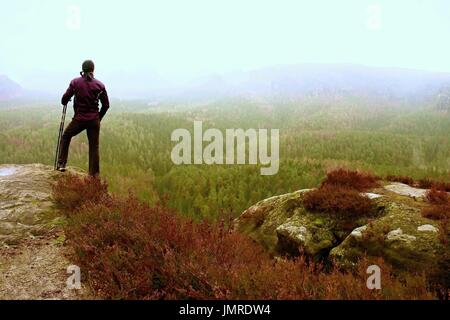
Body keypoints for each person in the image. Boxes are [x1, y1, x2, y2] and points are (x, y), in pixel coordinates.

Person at [57, 60, 110, 176]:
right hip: (94, 121)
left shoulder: (75, 82)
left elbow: (64, 99)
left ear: (82, 69)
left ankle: (61, 164)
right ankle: (94, 175)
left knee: (66, 136)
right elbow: (106, 105)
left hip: (79, 119)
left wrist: (66, 100)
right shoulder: (100, 85)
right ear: (93, 70)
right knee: (94, 146)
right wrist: (98, 118)